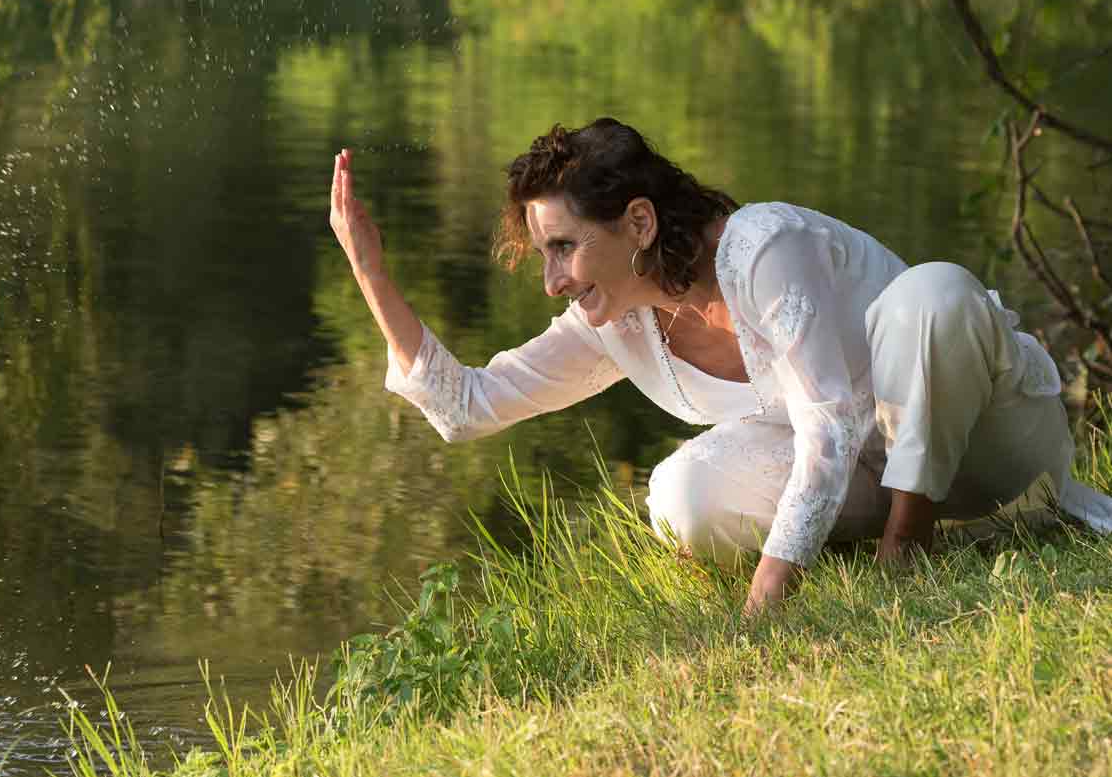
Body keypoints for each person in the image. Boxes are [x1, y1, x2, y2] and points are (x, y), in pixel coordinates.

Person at [327, 117, 1112, 614]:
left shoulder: (761, 247)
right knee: (681, 494)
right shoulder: (617, 321)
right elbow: (468, 405)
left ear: (638, 221)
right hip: (865, 473)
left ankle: (909, 543)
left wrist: (769, 586)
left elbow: (831, 421)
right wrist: (371, 274)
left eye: (563, 247)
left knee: (931, 294)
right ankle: (906, 531)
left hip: (991, 438)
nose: (553, 279)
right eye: (544, 255)